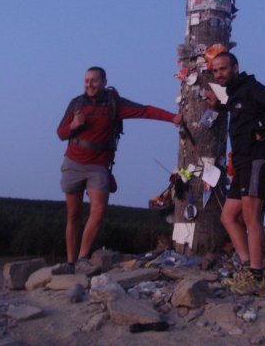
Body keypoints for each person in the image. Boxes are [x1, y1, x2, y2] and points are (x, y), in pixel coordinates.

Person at [56, 66, 181, 275]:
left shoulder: (114, 103)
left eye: (94, 81)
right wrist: (73, 126)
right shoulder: (76, 103)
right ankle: (70, 263)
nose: (89, 85)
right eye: (86, 81)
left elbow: (145, 111)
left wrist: (173, 118)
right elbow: (60, 133)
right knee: (74, 215)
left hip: (99, 166)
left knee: (98, 211)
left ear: (104, 82)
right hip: (73, 164)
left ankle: (82, 258)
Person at [206, 52, 265, 295]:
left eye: (223, 69)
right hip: (242, 162)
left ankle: (256, 276)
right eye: (215, 71)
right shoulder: (234, 94)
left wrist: (263, 128)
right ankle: (246, 266)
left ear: (235, 67)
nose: (219, 74)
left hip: (256, 160)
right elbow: (240, 111)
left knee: (252, 218)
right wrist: (218, 106)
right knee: (228, 217)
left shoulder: (251, 88)